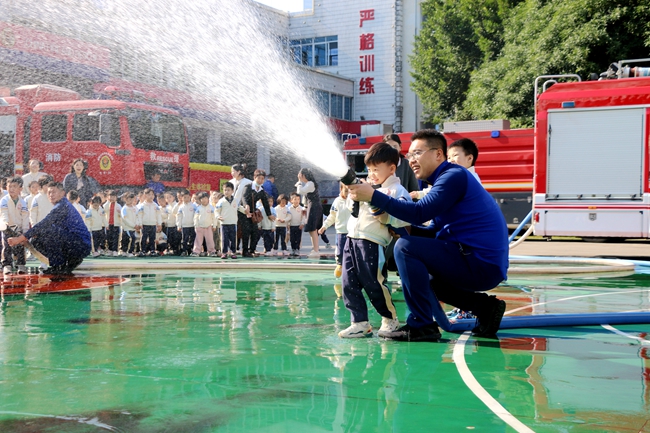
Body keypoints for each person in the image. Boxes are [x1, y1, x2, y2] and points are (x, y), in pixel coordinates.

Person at [348, 129, 509, 341]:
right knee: (418, 267)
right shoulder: (444, 181)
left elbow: (419, 212)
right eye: (410, 155)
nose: (411, 160)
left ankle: (422, 324)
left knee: (405, 248)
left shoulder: (453, 176)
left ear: (438, 154)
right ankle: (484, 307)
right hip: (476, 262)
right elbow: (433, 231)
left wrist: (374, 195)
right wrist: (400, 229)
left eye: (417, 153)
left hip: (479, 263)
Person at [337, 142, 411, 339]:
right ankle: (359, 322)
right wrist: (352, 196)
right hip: (351, 238)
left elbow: (402, 217)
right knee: (347, 282)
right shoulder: (368, 186)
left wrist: (375, 202)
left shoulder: (397, 191)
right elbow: (351, 211)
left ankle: (390, 319)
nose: (371, 173)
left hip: (372, 241)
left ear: (392, 168)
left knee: (374, 282)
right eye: (369, 169)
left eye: (376, 169)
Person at [8, 181, 92, 275]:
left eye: (54, 192)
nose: (51, 195)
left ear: (62, 193)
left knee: (48, 230)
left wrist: (20, 238)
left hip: (80, 245)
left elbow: (44, 224)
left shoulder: (62, 206)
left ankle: (59, 264)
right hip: (77, 244)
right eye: (49, 192)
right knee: (37, 239)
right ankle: (66, 263)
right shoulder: (61, 205)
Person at [318, 183, 351, 278]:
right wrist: (324, 226)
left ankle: (351, 269)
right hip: (341, 231)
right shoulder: (337, 201)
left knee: (351, 252)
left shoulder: (352, 200)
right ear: (341, 189)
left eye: (349, 191)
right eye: (346, 191)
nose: (347, 194)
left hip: (352, 232)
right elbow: (332, 216)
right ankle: (339, 265)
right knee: (340, 251)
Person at [239, 169, 273, 257]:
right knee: (246, 232)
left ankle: (252, 250)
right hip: (244, 212)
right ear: (254, 177)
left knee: (255, 232)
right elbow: (244, 197)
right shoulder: (248, 186)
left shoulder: (261, 190)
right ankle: (245, 251)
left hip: (253, 213)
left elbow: (265, 202)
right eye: (259, 178)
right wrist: (246, 206)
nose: (261, 180)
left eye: (262, 179)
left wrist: (269, 214)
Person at [0, 177, 30, 274]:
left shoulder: (23, 202)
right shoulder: (4, 200)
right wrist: (6, 224)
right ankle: (7, 265)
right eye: (9, 186)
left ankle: (21, 264)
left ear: (20, 189)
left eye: (14, 186)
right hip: (7, 228)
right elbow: (4, 213)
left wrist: (25, 231)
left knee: (20, 246)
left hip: (18, 228)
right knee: (7, 246)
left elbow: (25, 217)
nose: (11, 189)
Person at [295, 168, 323, 258]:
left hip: (314, 206)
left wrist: (299, 182)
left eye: (300, 175)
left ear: (304, 175)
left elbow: (300, 191)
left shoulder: (310, 183)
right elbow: (305, 198)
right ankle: (315, 249)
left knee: (313, 229)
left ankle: (316, 250)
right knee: (312, 229)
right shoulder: (308, 184)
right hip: (312, 206)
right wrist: (305, 207)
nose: (299, 176)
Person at [230, 164, 252, 252]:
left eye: (233, 171)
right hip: (232, 209)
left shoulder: (248, 182)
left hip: (244, 209)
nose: (232, 173)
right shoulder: (230, 182)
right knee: (234, 229)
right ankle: (234, 248)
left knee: (244, 230)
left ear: (239, 172)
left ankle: (245, 249)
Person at [136, 188, 162, 256]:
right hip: (144, 224)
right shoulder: (142, 205)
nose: (151, 196)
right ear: (145, 195)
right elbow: (139, 215)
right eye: (149, 194)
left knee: (152, 238)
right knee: (143, 238)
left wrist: (159, 224)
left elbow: (158, 215)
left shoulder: (155, 205)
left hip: (153, 224)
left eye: (152, 195)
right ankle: (143, 250)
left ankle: (152, 250)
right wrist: (140, 223)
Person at [215, 182, 238, 259]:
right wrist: (218, 216)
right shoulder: (221, 201)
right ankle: (224, 252)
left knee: (233, 238)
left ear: (232, 191)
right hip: (224, 223)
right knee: (224, 239)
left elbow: (239, 208)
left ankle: (233, 252)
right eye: (225, 190)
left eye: (228, 190)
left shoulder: (235, 200)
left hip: (233, 222)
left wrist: (246, 211)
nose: (226, 192)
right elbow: (216, 210)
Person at [192, 191, 217, 257]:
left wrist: (214, 225)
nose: (204, 200)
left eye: (206, 198)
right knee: (198, 240)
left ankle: (212, 251)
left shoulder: (211, 208)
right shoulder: (199, 208)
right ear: (200, 200)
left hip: (208, 227)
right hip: (200, 227)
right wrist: (196, 225)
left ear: (208, 199)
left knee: (210, 240)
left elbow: (214, 217)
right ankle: (196, 251)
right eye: (202, 199)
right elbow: (195, 217)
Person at [176, 189, 196, 256]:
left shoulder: (194, 206)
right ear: (181, 198)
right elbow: (179, 217)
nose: (186, 199)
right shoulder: (181, 207)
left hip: (192, 225)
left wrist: (196, 224)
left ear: (190, 197)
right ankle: (184, 251)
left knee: (193, 239)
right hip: (184, 226)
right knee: (184, 239)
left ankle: (192, 251)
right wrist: (179, 225)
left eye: (188, 197)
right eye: (184, 197)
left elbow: (196, 216)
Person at [103, 190, 122, 257]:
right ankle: (110, 250)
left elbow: (121, 215)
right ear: (108, 197)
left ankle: (115, 250)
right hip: (108, 224)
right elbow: (103, 215)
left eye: (114, 196)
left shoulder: (118, 206)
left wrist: (120, 212)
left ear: (116, 197)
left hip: (116, 224)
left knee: (115, 237)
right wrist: (105, 224)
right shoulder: (105, 205)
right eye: (110, 196)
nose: (112, 198)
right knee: (109, 237)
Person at [120, 193, 138, 257]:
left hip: (133, 228)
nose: (130, 200)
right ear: (125, 199)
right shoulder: (124, 209)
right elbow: (125, 219)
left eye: (132, 199)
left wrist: (137, 224)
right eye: (129, 199)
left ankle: (129, 251)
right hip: (127, 228)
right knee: (128, 239)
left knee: (132, 239)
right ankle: (125, 251)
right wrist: (133, 225)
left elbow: (137, 217)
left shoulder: (135, 208)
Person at [287, 192, 305, 257]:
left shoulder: (302, 209)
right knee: (292, 239)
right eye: (295, 199)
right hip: (292, 225)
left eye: (298, 199)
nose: (296, 201)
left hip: (298, 226)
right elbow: (288, 217)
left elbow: (303, 217)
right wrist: (288, 224)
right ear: (291, 200)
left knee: (298, 238)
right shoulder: (289, 209)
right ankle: (293, 249)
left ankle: (297, 249)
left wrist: (302, 223)